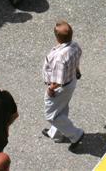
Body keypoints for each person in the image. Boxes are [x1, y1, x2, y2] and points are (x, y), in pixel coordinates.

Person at [42, 20, 84, 148]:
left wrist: (50, 89)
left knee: (51, 115)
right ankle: (56, 134)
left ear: (57, 37)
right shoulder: (75, 46)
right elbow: (76, 62)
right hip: (71, 81)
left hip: (61, 87)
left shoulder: (60, 57)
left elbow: (57, 81)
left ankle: (76, 134)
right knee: (62, 108)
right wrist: (77, 71)